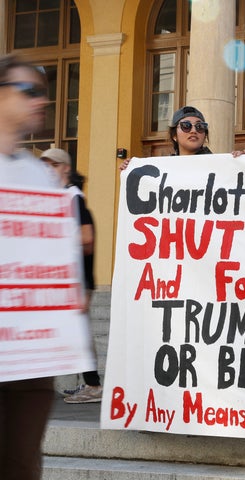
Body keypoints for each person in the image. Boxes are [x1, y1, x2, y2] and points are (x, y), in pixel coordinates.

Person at [0, 53, 57, 480]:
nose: (42, 101)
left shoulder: (39, 176)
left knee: (22, 463)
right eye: (30, 91)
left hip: (30, 355)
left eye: (44, 93)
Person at [40, 148, 102, 404]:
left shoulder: (73, 198)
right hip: (62, 280)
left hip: (76, 281)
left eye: (52, 165)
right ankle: (88, 383)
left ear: (65, 168)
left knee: (78, 334)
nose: (47, 170)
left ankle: (93, 386)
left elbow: (87, 239)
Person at [120, 105, 212, 170]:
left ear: (204, 135)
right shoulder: (163, 167)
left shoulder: (219, 166)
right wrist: (130, 169)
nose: (193, 130)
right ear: (174, 135)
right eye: (186, 125)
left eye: (200, 126)